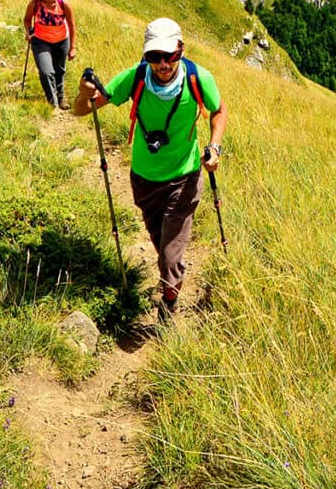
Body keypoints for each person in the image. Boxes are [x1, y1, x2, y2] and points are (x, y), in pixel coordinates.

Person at [73, 17, 224, 316]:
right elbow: (81, 110)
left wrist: (214, 146)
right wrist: (84, 92)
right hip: (144, 179)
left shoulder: (197, 77)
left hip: (185, 178)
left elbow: (218, 110)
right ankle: (172, 277)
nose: (163, 64)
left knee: (168, 257)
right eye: (154, 57)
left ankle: (168, 304)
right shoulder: (136, 77)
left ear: (181, 49)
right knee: (160, 244)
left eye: (169, 55)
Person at [23, 0, 76, 109]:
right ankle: (53, 103)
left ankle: (61, 96)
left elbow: (72, 25)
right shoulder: (35, 3)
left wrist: (73, 47)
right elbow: (27, 19)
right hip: (40, 41)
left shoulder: (63, 3)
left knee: (60, 71)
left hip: (62, 41)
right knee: (46, 72)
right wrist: (28, 32)